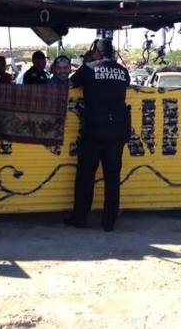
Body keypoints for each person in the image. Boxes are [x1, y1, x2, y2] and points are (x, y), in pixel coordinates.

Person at [64, 39, 130, 232]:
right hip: (118, 129)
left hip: (94, 129)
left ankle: (80, 218)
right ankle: (109, 222)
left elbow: (69, 84)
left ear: (97, 52)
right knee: (112, 178)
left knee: (85, 175)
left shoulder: (88, 69)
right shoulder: (123, 71)